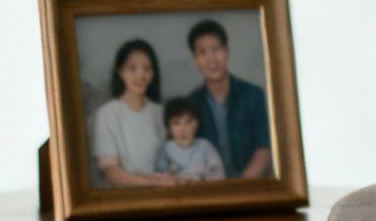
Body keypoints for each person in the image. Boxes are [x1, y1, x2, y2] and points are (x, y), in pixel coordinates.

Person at [184, 20, 273, 179]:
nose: (211, 59)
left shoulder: (253, 95)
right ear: (195, 60)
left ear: (227, 52)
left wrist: (240, 191)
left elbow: (264, 148)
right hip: (210, 194)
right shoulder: (190, 104)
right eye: (203, 52)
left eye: (216, 49)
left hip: (252, 189)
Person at [88, 39, 178, 188]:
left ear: (153, 74)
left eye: (147, 69)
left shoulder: (162, 113)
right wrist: (154, 182)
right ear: (120, 71)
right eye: (132, 68)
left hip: (165, 198)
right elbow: (109, 171)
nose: (140, 75)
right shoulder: (107, 114)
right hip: (126, 201)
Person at [155, 97, 226, 181]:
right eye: (176, 123)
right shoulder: (165, 150)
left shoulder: (205, 147)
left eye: (188, 122)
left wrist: (199, 179)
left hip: (205, 192)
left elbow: (220, 175)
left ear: (196, 123)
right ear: (168, 128)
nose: (183, 129)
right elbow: (161, 179)